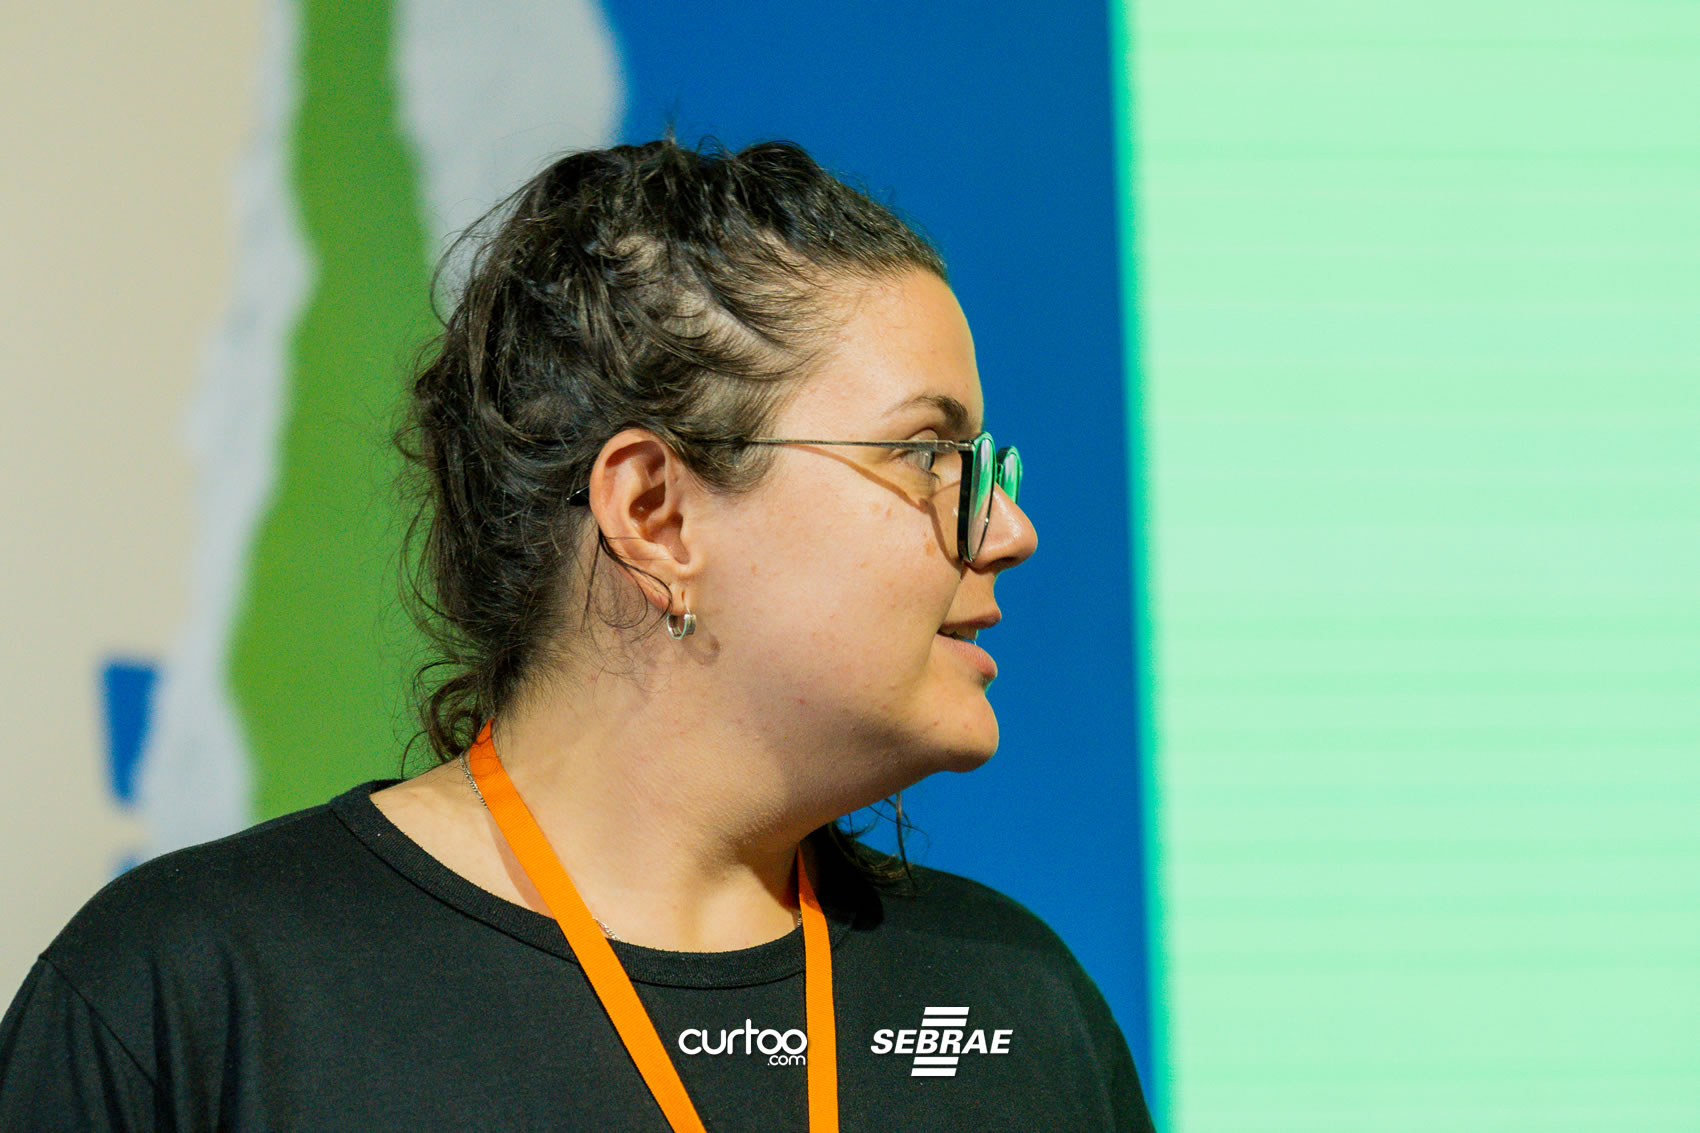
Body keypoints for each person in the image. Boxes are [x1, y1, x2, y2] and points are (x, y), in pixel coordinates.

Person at [0, 138, 1154, 1131]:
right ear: (654, 511)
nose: (1007, 529)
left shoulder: (1015, 1008)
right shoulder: (199, 997)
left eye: (979, 464)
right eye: (924, 455)